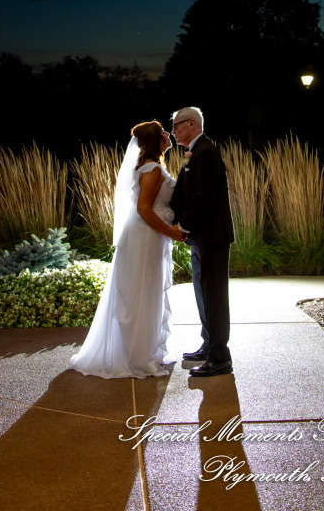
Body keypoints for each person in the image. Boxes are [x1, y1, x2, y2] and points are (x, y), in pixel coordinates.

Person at [70, 120, 188, 379]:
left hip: (147, 236)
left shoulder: (151, 167)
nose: (168, 134)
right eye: (162, 133)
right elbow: (144, 209)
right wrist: (172, 232)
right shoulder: (153, 169)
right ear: (154, 141)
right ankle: (138, 358)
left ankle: (143, 352)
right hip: (145, 237)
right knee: (142, 293)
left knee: (142, 292)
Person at [170, 106, 234, 376]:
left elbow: (203, 196)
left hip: (212, 237)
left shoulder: (206, 152)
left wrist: (182, 226)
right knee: (203, 294)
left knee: (213, 297)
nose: (173, 131)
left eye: (176, 126)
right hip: (202, 236)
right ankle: (209, 346)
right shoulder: (196, 152)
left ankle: (219, 357)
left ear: (192, 124)